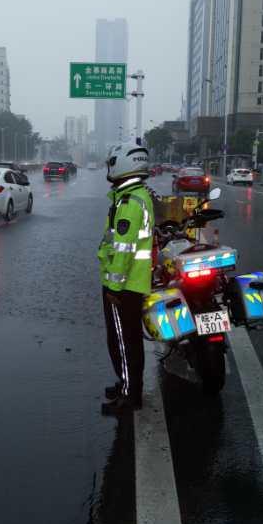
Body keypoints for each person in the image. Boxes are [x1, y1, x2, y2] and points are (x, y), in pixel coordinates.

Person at [97, 141, 154, 416]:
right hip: (130, 283)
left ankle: (130, 396)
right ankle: (125, 385)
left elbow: (124, 249)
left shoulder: (131, 202)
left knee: (124, 341)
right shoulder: (133, 196)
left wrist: (114, 287)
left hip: (124, 285)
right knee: (124, 339)